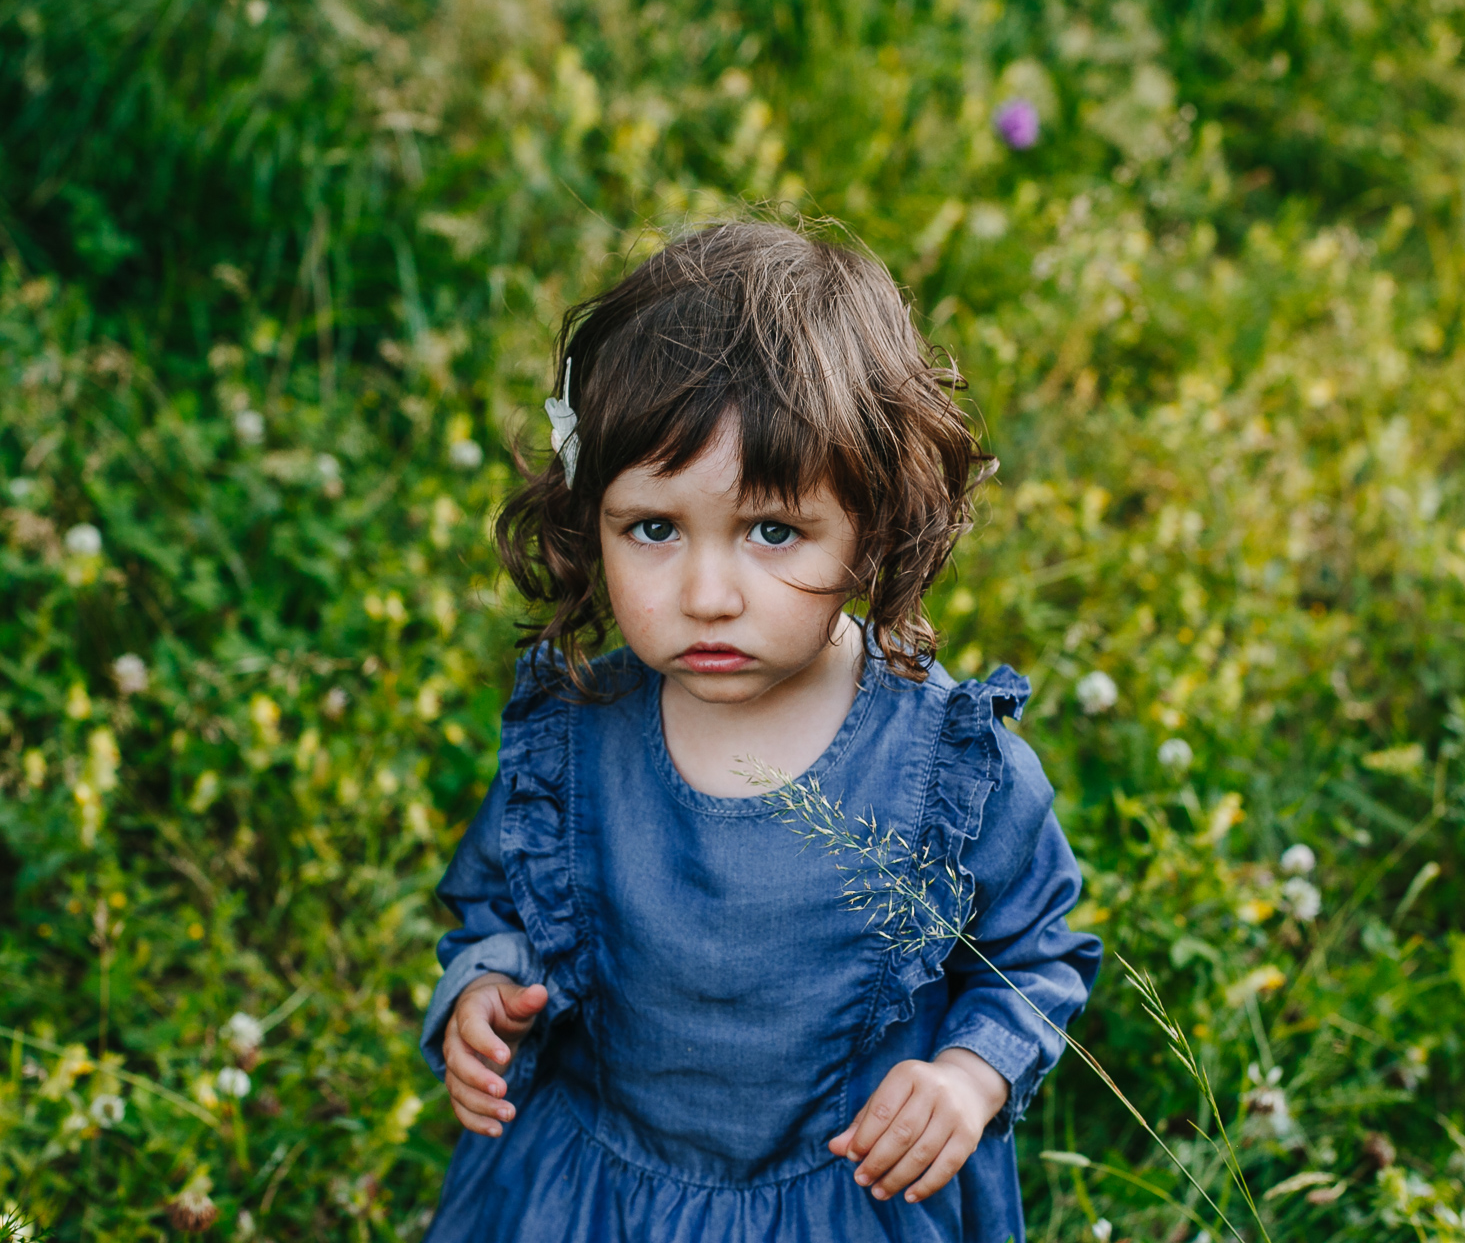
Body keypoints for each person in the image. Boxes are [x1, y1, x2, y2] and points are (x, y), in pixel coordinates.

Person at [417, 220, 1102, 1242]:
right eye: (653, 527)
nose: (705, 594)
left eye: (772, 530)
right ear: (589, 515)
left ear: (874, 521)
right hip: (600, 1190)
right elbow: (494, 904)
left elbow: (1037, 950)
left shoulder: (943, 764)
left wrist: (967, 1076)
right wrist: (484, 987)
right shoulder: (576, 734)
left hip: (842, 1198)